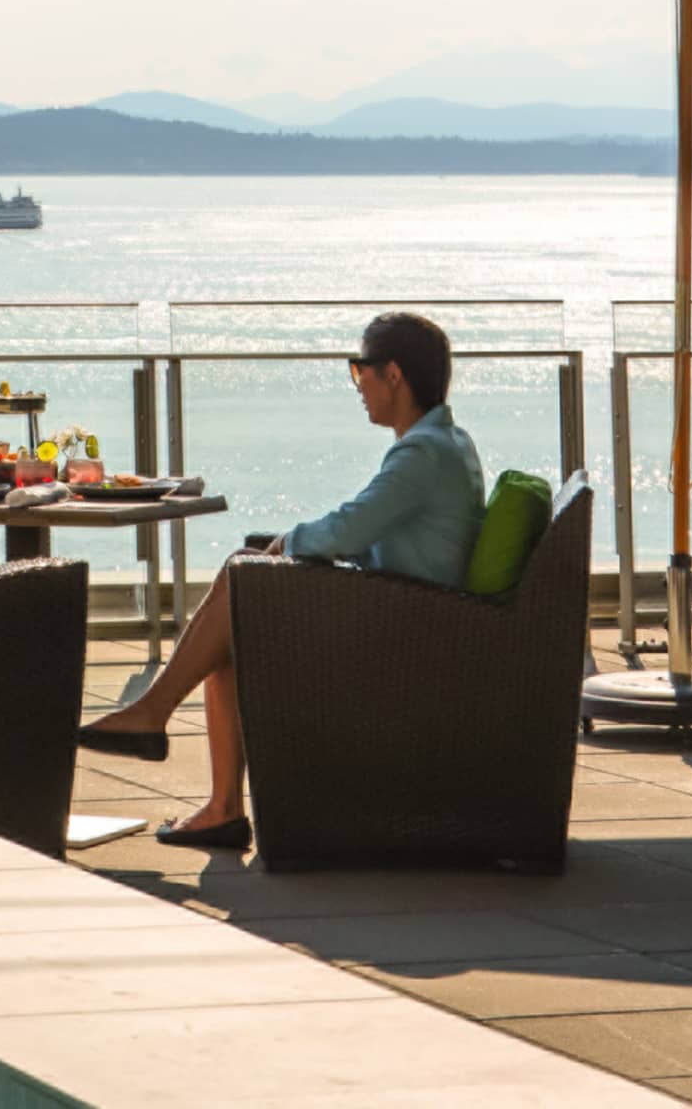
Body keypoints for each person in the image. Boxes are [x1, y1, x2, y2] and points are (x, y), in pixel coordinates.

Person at [78, 310, 484, 850]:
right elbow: (371, 527)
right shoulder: (444, 444)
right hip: (401, 609)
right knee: (238, 606)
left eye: (358, 369)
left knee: (241, 575)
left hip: (401, 630)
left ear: (391, 374)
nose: (357, 385)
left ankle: (155, 714)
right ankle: (219, 806)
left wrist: (290, 542)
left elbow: (349, 527)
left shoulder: (424, 453)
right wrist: (286, 544)